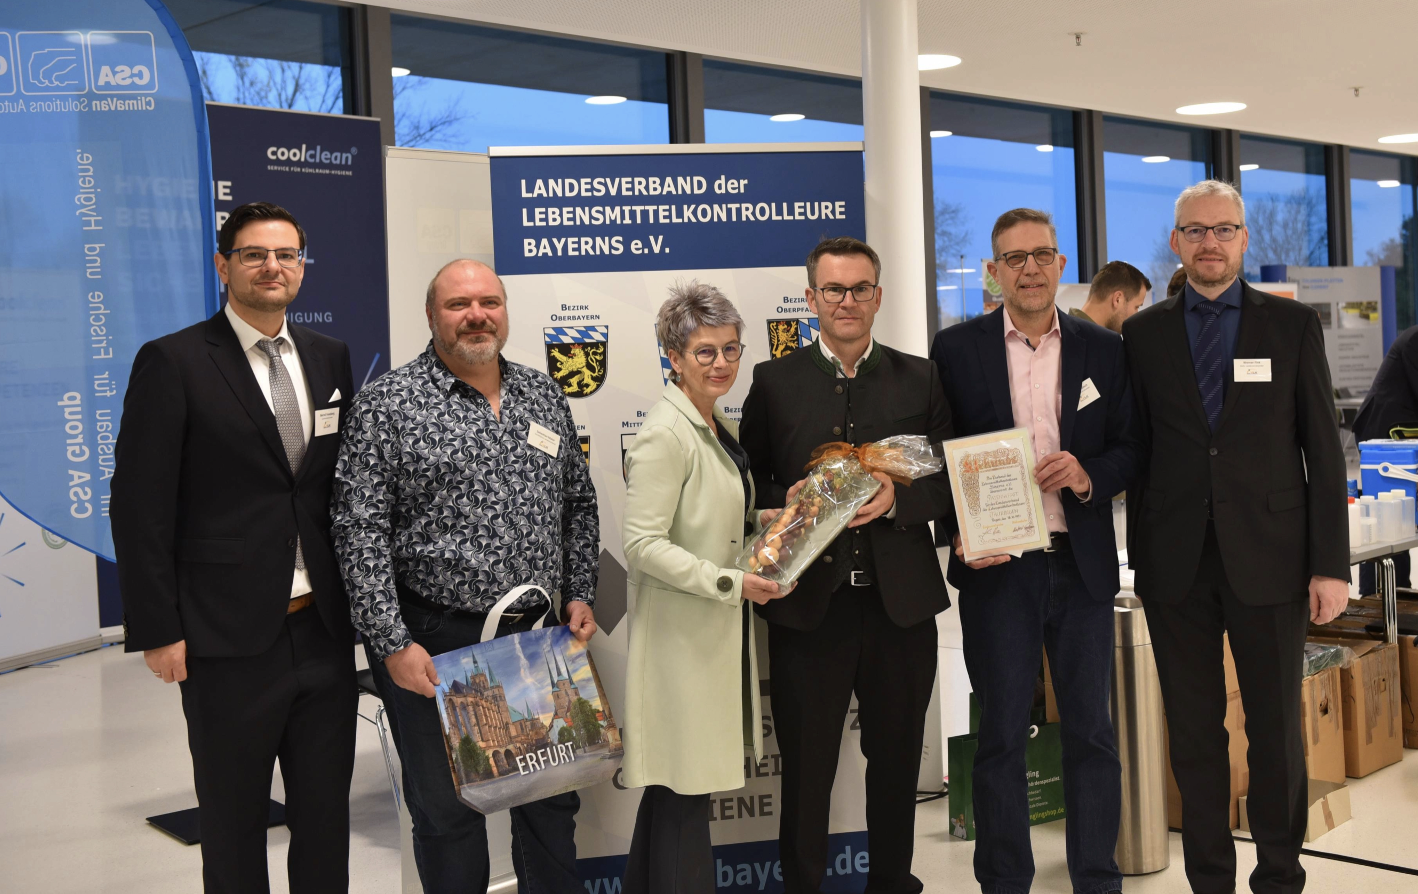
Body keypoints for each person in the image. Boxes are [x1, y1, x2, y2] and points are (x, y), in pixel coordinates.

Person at [331, 259, 599, 894]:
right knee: (448, 816)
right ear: (431, 316)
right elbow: (358, 530)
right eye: (458, 305)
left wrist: (581, 591)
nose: (476, 315)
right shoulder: (389, 404)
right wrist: (391, 642)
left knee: (550, 806)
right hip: (433, 642)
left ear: (504, 311)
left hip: (536, 637)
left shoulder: (541, 393)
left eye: (489, 302)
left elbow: (578, 503)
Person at [111, 201, 357, 893]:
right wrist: (158, 629)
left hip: (322, 630)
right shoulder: (174, 361)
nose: (272, 267)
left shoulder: (329, 356)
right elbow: (139, 507)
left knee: (324, 817)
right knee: (233, 821)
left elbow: (328, 489)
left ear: (302, 267)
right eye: (254, 255)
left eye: (286, 255)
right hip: (224, 637)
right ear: (224, 267)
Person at [1122, 180, 1349, 894]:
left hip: (1272, 558)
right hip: (1175, 563)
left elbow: (1323, 449)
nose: (1210, 243)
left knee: (1275, 731)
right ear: (1176, 242)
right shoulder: (1144, 334)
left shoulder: (1292, 326)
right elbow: (1137, 448)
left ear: (1244, 240)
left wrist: (1331, 565)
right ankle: (1210, 879)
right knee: (1194, 735)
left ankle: (1280, 875)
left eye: (1223, 230)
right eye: (1195, 231)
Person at [931, 209, 1138, 894]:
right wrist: (955, 531)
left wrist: (1087, 474)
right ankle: (1004, 882)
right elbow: (937, 455)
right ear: (993, 271)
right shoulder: (956, 349)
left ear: (1061, 263)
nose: (1029, 269)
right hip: (999, 569)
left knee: (1091, 734)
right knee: (1000, 738)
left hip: (1080, 566)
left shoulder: (1103, 349)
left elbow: (1131, 449)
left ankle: (1097, 879)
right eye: (1014, 258)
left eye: (1042, 255)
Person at [739, 236, 955, 894]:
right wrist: (790, 501)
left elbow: (950, 481)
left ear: (878, 296)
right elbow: (749, 481)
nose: (847, 301)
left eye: (860, 289)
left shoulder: (921, 377)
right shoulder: (774, 381)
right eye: (833, 289)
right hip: (810, 611)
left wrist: (898, 500)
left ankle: (891, 884)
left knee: (896, 767)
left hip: (902, 611)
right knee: (806, 774)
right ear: (812, 299)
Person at [620, 281, 788, 894]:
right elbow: (642, 545)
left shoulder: (715, 423)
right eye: (705, 352)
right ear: (674, 356)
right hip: (682, 644)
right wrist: (730, 581)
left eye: (731, 349)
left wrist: (765, 519)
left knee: (675, 795)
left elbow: (710, 519)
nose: (721, 363)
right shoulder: (666, 433)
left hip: (709, 638)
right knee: (683, 798)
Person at [1353, 325, 1418, 591]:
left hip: (1402, 439)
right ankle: (1375, 596)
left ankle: (1398, 591)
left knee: (1403, 518)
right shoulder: (1415, 340)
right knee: (1385, 520)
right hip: (1382, 436)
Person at [1070, 260, 1151, 333]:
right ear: (1117, 299)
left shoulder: (1069, 332)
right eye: (1136, 307)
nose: (1136, 315)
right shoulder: (1079, 340)